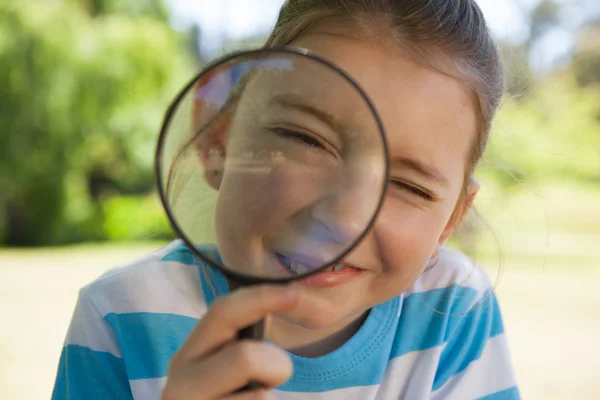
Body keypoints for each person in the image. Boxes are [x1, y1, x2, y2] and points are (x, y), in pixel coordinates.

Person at [51, 0, 520, 399]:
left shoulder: (454, 311)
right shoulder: (121, 315)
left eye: (410, 186)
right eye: (307, 141)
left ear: (449, 222)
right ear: (218, 138)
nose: (345, 217)